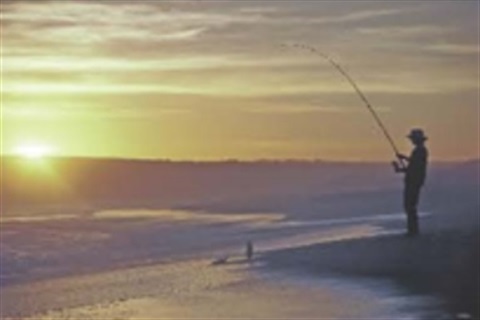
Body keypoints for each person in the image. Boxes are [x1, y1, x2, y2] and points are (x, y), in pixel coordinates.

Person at [392, 129, 429, 236]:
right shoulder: (419, 150)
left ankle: (413, 231)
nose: (411, 141)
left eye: (413, 139)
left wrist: (403, 158)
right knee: (410, 206)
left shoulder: (420, 150)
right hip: (413, 181)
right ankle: (412, 230)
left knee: (410, 206)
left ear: (417, 140)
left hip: (414, 182)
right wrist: (398, 168)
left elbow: (415, 165)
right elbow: (412, 167)